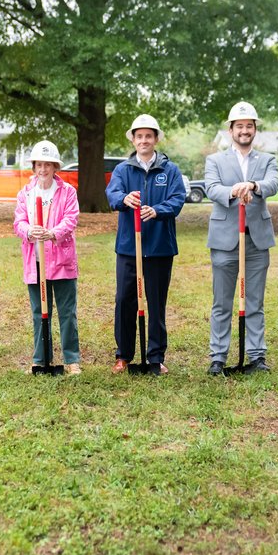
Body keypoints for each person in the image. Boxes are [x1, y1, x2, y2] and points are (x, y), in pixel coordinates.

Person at [106, 114, 186, 374]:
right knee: (124, 300)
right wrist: (124, 198)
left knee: (156, 301)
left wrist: (158, 210)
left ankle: (155, 357)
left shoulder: (169, 169)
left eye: (148, 136)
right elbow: (112, 193)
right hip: (129, 247)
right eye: (139, 136)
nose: (144, 140)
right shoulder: (123, 169)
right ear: (133, 139)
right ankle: (124, 355)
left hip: (159, 247)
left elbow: (177, 199)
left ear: (155, 139)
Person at [204, 102, 278, 376]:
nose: (244, 130)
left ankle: (256, 356)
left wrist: (254, 185)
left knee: (254, 301)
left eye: (249, 126)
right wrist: (235, 190)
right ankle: (218, 357)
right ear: (230, 130)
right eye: (239, 126)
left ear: (255, 129)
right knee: (222, 302)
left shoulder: (267, 160)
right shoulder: (215, 160)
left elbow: (273, 184)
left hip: (256, 240)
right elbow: (212, 188)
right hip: (225, 239)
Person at [13, 141, 81, 374]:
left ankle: (71, 360)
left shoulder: (68, 192)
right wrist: (29, 231)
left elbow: (71, 219)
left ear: (55, 167)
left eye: (47, 165)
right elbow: (19, 221)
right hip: (36, 261)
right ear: (34, 167)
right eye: (38, 164)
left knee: (67, 312)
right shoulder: (26, 193)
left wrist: (52, 233)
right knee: (38, 312)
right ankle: (40, 359)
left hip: (61, 260)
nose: (42, 169)